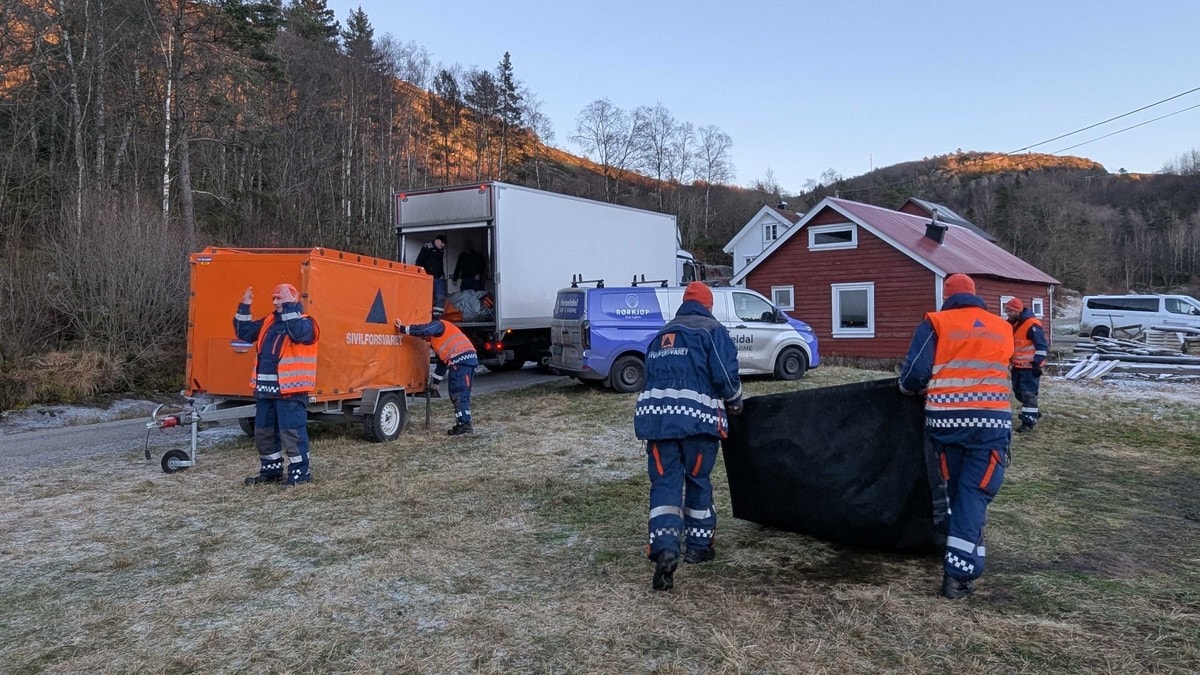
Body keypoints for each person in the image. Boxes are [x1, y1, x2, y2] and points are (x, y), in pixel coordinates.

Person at [899, 273, 1014, 600]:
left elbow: (914, 375)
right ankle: (959, 574)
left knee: (954, 490)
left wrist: (906, 388)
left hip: (945, 423)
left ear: (947, 297)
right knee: (974, 493)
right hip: (990, 425)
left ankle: (956, 551)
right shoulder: (1003, 328)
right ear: (974, 295)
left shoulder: (935, 323)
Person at [634, 281, 743, 592]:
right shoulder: (711, 330)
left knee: (665, 485)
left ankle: (665, 549)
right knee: (697, 481)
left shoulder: (660, 335)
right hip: (697, 424)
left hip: (656, 425)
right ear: (708, 306)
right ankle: (699, 545)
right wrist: (735, 400)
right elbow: (724, 375)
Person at [235, 283, 320, 487]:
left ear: (292, 299)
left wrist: (290, 306)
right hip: (265, 392)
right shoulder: (270, 321)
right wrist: (244, 307)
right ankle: (271, 471)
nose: (275, 302)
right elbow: (244, 333)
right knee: (263, 434)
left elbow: (297, 333)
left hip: (291, 393)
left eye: (279, 298)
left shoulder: (306, 323)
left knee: (292, 434)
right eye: (273, 298)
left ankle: (300, 474)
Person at [394, 308, 479, 435]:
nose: (424, 340)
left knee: (459, 393)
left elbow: (423, 330)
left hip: (460, 362)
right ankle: (463, 422)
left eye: (423, 338)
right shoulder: (440, 338)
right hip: (465, 361)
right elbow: (442, 362)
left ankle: (464, 425)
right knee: (461, 393)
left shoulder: (438, 325)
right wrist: (436, 381)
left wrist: (403, 329)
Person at [1004, 297, 1048, 433]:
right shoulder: (1012, 324)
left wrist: (1037, 363)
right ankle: (1033, 412)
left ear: (1017, 310)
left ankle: (1027, 423)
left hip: (1030, 367)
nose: (1007, 314)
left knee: (1028, 394)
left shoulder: (1032, 324)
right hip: (1017, 367)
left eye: (1009, 311)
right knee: (1019, 394)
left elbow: (1041, 346)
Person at [415, 234, 448, 311]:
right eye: (442, 243)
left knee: (439, 296)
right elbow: (418, 263)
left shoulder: (441, 250)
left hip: (438, 277)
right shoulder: (427, 248)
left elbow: (440, 263)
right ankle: (428, 312)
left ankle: (437, 314)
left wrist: (442, 274)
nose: (443, 245)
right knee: (428, 296)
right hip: (428, 278)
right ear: (438, 241)